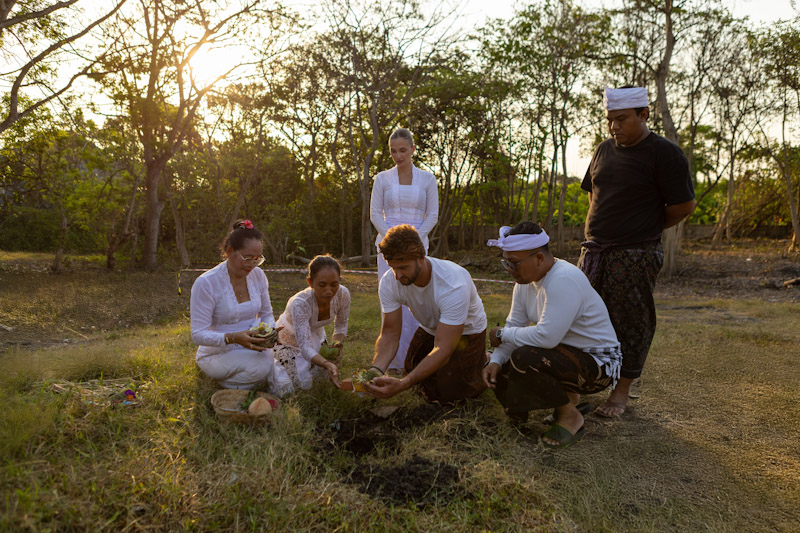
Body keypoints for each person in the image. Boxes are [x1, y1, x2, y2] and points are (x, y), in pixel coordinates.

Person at [579, 86, 695, 417]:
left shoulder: (664, 153)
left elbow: (684, 205)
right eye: (609, 120)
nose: (614, 126)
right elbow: (594, 197)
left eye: (622, 119)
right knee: (582, 317)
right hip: (594, 252)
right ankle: (581, 385)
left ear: (643, 115)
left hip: (635, 253)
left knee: (630, 321)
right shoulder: (603, 150)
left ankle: (621, 394)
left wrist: (647, 229)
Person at [483, 223, 622, 449]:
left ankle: (570, 416)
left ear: (539, 257)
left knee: (524, 357)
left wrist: (501, 334)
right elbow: (514, 327)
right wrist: (496, 360)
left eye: (514, 262)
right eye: (506, 261)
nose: (509, 268)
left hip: (599, 364)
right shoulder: (524, 283)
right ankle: (559, 403)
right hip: (566, 354)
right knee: (500, 358)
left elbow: (545, 337)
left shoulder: (563, 279)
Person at [364, 224, 487, 404]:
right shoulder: (389, 281)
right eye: (393, 267)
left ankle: (486, 359)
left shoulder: (453, 284)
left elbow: (443, 349)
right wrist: (376, 370)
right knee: (415, 376)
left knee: (451, 395)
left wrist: (403, 384)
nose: (397, 275)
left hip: (467, 332)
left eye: (403, 267)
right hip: (430, 328)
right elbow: (389, 333)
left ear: (422, 257)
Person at [190, 220, 292, 394]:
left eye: (257, 259)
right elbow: (197, 335)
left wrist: (270, 332)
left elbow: (266, 313)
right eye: (247, 258)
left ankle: (237, 382)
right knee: (261, 367)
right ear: (230, 251)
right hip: (216, 353)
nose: (252, 264)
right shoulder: (206, 283)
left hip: (252, 345)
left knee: (273, 360)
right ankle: (228, 385)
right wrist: (234, 337)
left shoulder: (258, 276)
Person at [370, 128, 439, 373]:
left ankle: (417, 359)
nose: (398, 156)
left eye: (402, 150)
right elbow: (375, 213)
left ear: (412, 149)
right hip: (388, 244)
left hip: (418, 244)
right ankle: (394, 362)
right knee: (392, 300)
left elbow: (432, 214)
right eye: (393, 151)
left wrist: (414, 240)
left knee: (419, 301)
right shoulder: (382, 179)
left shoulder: (428, 179)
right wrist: (392, 239)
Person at [274, 255, 349, 390]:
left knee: (324, 379)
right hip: (289, 339)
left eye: (334, 284)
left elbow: (341, 324)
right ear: (310, 282)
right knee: (294, 386)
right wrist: (326, 363)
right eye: (322, 285)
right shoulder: (300, 303)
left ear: (339, 281)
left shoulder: (343, 294)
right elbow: (305, 347)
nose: (328, 291)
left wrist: (337, 344)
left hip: (315, 335)